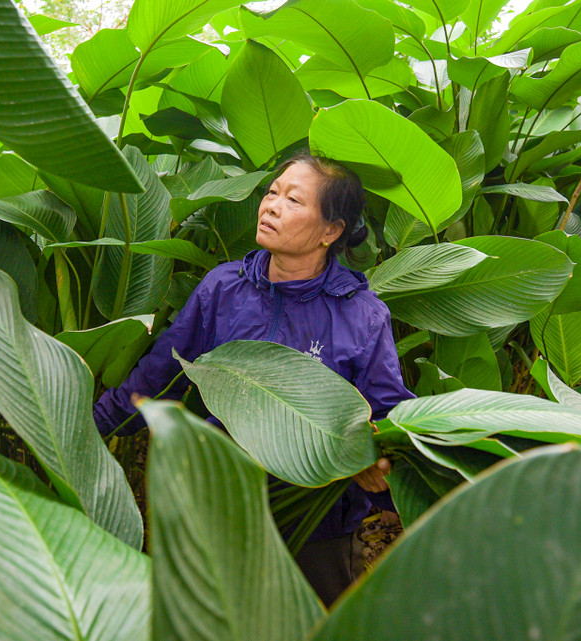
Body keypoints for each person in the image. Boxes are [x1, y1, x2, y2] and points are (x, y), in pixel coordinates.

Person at [93, 153, 415, 606]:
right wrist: (89, 427)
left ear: (330, 231)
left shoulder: (362, 316)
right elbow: (160, 377)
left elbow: (388, 416)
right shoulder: (223, 288)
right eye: (272, 192)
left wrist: (374, 464)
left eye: (293, 200)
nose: (272, 206)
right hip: (218, 506)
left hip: (313, 525)